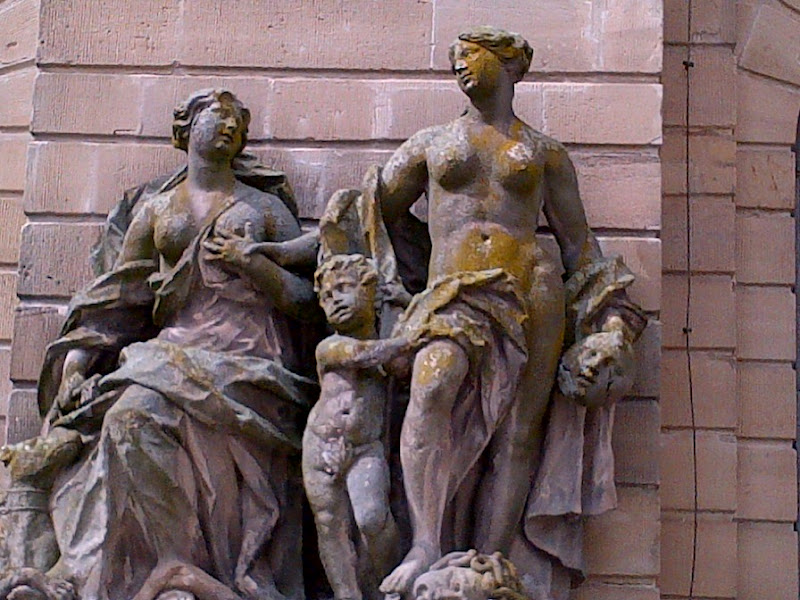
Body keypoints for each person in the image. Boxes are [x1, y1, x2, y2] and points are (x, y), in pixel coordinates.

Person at [2, 89, 322, 600]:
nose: (229, 127)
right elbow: (118, 298)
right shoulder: (156, 211)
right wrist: (76, 368)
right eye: (217, 115)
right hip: (173, 349)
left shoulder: (263, 209)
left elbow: (307, 300)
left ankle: (191, 573)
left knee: (157, 409)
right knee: (129, 416)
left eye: (238, 123)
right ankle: (156, 563)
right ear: (186, 128)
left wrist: (253, 264)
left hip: (250, 355)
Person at [375, 27, 646, 597]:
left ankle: (489, 557)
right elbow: (370, 212)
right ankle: (424, 543)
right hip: (453, 291)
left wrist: (612, 324)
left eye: (472, 56)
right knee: (431, 386)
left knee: (519, 433)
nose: (461, 66)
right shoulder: (432, 143)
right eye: (456, 58)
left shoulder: (543, 153)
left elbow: (579, 247)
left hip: (533, 291)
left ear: (508, 63)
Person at [303, 254, 410, 600]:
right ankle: (345, 593)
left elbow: (402, 368)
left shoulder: (386, 341)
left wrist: (405, 304)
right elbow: (365, 355)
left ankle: (385, 582)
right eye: (327, 296)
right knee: (329, 523)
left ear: (370, 291)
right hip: (320, 445)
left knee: (372, 518)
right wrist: (413, 333)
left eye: (344, 288)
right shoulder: (331, 346)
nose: (334, 300)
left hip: (364, 448)